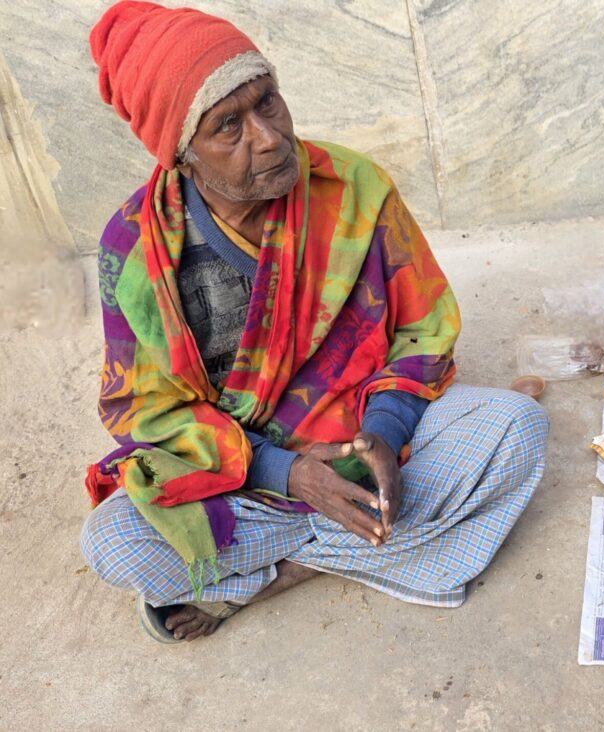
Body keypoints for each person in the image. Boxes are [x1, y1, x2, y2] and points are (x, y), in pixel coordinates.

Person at [79, 1, 548, 643]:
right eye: (228, 126)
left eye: (267, 102)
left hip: (373, 449)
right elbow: (149, 411)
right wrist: (289, 473)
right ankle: (372, 546)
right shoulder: (135, 253)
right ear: (182, 156)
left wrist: (384, 432)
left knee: (516, 428)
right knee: (114, 544)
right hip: (245, 474)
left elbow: (423, 330)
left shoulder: (354, 187)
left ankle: (279, 574)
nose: (268, 136)